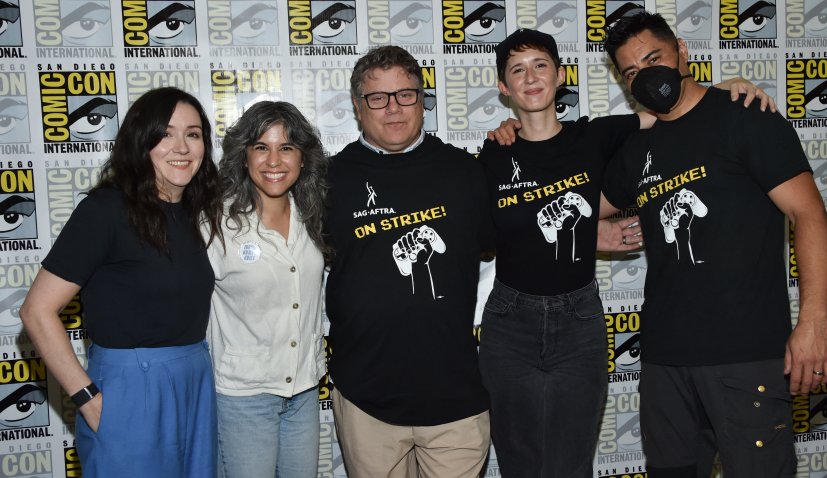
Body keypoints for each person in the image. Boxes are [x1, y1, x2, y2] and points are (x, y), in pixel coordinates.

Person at [479, 28, 778, 478]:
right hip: (510, 321)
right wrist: (594, 234)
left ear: (561, 76)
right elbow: (495, 236)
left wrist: (727, 86)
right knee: (518, 460)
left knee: (572, 461)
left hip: (578, 317)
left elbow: (679, 109)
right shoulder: (492, 151)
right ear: (504, 88)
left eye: (541, 65)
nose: (531, 77)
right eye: (517, 70)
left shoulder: (598, 135)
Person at [600, 12, 827, 477]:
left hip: (745, 357)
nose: (646, 76)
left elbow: (810, 216)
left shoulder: (744, 115)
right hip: (666, 362)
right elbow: (583, 209)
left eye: (653, 59)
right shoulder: (637, 149)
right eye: (631, 72)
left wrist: (813, 322)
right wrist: (597, 234)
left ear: (682, 52)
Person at [19, 87, 223, 477]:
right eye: (165, 134)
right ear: (140, 141)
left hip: (194, 380)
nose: (180, 146)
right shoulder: (105, 210)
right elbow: (36, 310)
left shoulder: (194, 212)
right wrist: (88, 399)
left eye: (193, 134)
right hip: (129, 388)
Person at [323, 45, 492, 478]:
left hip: (455, 394)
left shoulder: (466, 172)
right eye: (378, 98)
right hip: (367, 398)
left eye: (406, 94)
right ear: (359, 107)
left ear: (422, 99)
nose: (393, 109)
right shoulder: (326, 180)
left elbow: (518, 238)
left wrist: (593, 230)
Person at [207, 101, 330, 478]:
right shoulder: (214, 222)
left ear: (303, 158)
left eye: (287, 148)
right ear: (244, 156)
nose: (273, 161)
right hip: (244, 395)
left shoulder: (316, 215)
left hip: (304, 388)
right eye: (261, 147)